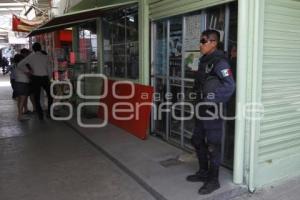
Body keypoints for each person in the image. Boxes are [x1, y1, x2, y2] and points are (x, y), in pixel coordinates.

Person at [186, 30, 235, 195]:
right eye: (200, 41)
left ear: (214, 43)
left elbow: (229, 85)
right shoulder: (204, 61)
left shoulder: (219, 62)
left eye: (203, 41)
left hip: (212, 110)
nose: (200, 44)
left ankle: (213, 181)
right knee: (197, 140)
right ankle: (203, 172)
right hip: (201, 108)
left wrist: (210, 99)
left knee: (213, 145)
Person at [18, 42, 52, 120]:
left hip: (35, 79)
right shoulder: (46, 57)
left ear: (33, 49)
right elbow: (49, 69)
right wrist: (49, 78)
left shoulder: (30, 57)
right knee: (50, 96)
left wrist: (29, 71)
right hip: (45, 78)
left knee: (36, 97)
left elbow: (20, 65)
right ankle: (49, 113)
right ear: (40, 48)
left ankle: (40, 115)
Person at [13, 54, 31, 121]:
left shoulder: (16, 65)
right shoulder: (22, 65)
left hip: (17, 83)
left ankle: (19, 115)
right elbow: (29, 73)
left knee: (19, 100)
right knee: (22, 101)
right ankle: (20, 116)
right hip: (23, 83)